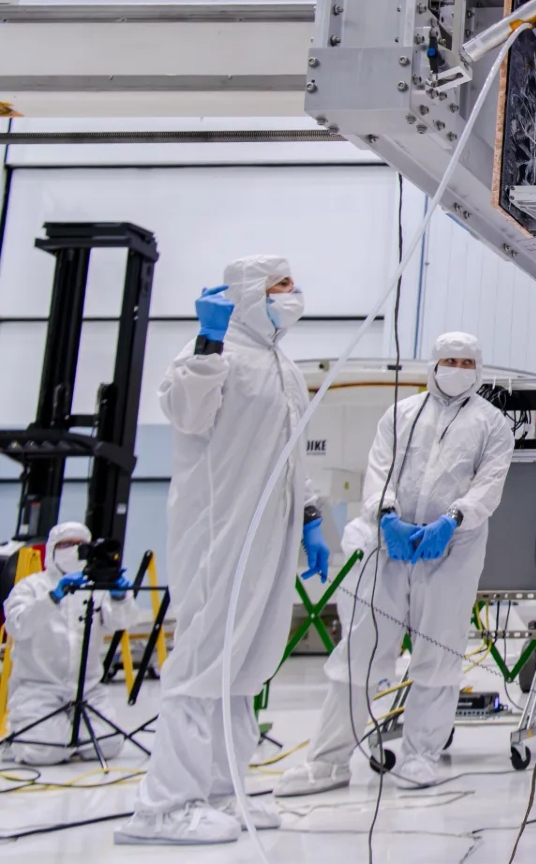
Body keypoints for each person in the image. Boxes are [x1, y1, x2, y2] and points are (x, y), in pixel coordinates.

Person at [118, 257, 318, 845]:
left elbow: (287, 449)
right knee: (202, 661)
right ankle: (162, 807)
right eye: (281, 285)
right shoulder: (212, 348)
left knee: (242, 666)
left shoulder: (283, 363)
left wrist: (307, 514)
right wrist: (208, 339)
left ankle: (224, 787)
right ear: (251, 292)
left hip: (267, 531)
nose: (293, 293)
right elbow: (184, 412)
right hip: (219, 532)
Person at [275, 332, 514, 797]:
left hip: (451, 551)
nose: (457, 368)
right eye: (450, 360)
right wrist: (387, 517)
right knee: (358, 654)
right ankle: (327, 762)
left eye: (467, 361)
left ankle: (421, 756)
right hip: (387, 545)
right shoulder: (401, 415)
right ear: (433, 363)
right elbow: (379, 470)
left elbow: (488, 485)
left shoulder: (493, 425)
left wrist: (451, 520)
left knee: (438, 656)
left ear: (478, 367)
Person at [2, 521, 141, 764]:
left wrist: (120, 598)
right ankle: (48, 735)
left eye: (81, 545)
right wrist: (53, 597)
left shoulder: (95, 588)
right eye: (67, 544)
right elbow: (17, 625)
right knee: (43, 751)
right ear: (53, 549)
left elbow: (121, 621)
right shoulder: (31, 586)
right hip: (40, 688)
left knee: (108, 744)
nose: (74, 550)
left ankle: (69, 734)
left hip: (87, 689)